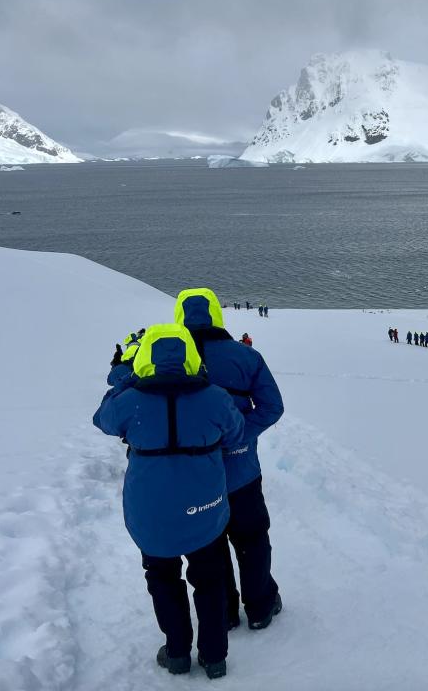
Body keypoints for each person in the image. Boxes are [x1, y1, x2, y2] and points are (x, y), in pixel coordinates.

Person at [93, 324, 244, 679]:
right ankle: (214, 656)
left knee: (162, 577)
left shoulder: (130, 401)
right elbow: (236, 431)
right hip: (204, 505)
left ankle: (177, 651)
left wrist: (130, 379)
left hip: (151, 510)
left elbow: (102, 419)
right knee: (209, 578)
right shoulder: (215, 397)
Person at [176, 289, 284, 633]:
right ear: (217, 315)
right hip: (242, 472)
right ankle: (260, 606)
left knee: (210, 545)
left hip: (193, 475)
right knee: (252, 538)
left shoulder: (169, 361)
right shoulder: (245, 356)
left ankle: (223, 612)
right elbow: (272, 407)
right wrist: (239, 434)